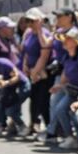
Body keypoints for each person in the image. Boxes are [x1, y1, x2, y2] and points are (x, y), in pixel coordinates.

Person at [45, 27, 78, 149]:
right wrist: (59, 86)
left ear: (76, 42)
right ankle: (72, 137)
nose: (64, 41)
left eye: (68, 39)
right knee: (61, 110)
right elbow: (66, 75)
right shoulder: (67, 57)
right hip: (71, 91)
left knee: (68, 111)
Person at [20, 8, 54, 136]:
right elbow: (26, 51)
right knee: (33, 99)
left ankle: (50, 128)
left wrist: (35, 71)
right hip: (32, 71)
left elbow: (44, 54)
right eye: (28, 21)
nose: (30, 24)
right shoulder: (28, 33)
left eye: (33, 21)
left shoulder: (45, 33)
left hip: (43, 73)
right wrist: (25, 66)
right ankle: (33, 124)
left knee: (43, 101)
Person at [0, 56, 30, 137]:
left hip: (21, 86)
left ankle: (22, 126)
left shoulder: (4, 63)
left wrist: (6, 82)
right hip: (8, 88)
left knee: (11, 110)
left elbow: (17, 76)